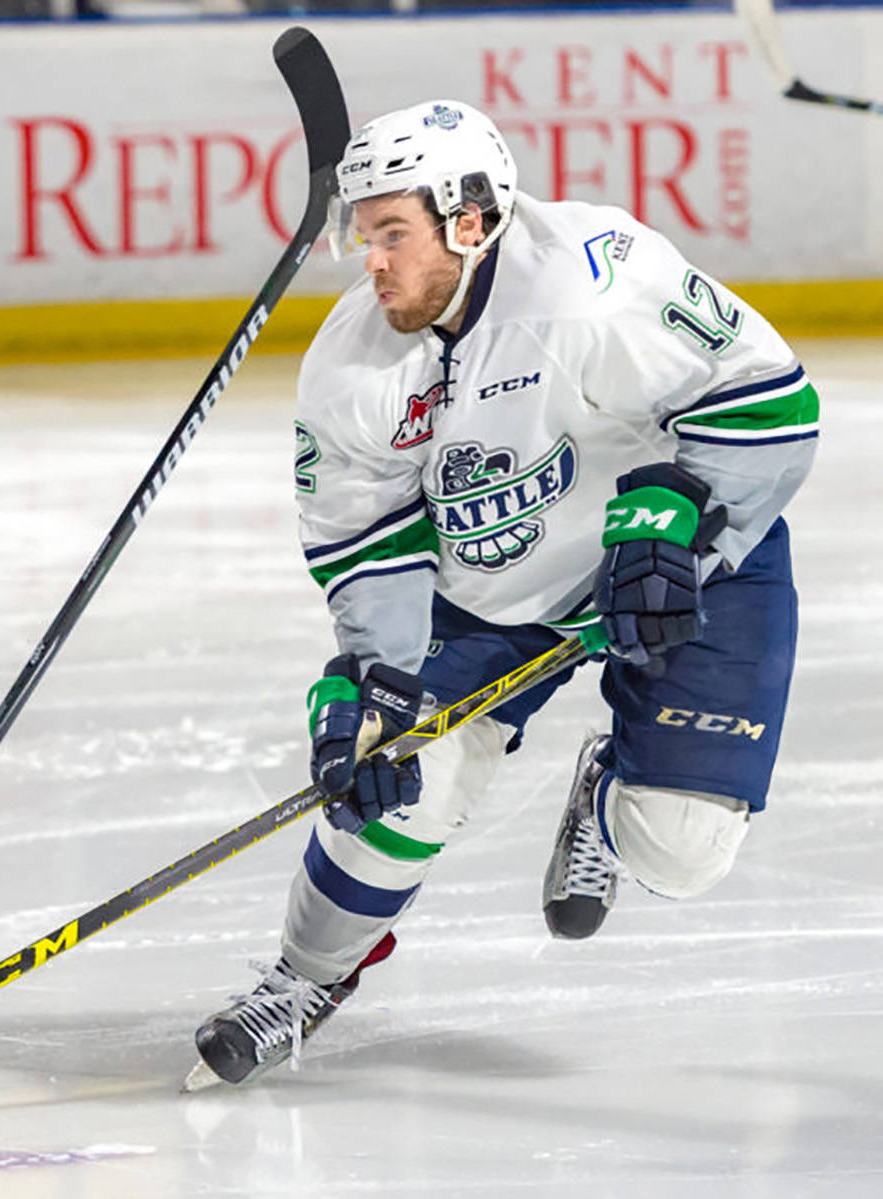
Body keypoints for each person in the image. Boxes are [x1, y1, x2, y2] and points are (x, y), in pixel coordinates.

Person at [189, 100, 816, 1088]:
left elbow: (772, 409)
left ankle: (610, 787)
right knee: (386, 772)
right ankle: (305, 976)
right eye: (364, 232)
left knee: (685, 849)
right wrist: (377, 678)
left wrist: (675, 513)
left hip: (678, 559)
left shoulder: (595, 281)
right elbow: (367, 549)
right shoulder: (352, 369)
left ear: (471, 220)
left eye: (393, 231)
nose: (372, 260)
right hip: (489, 596)